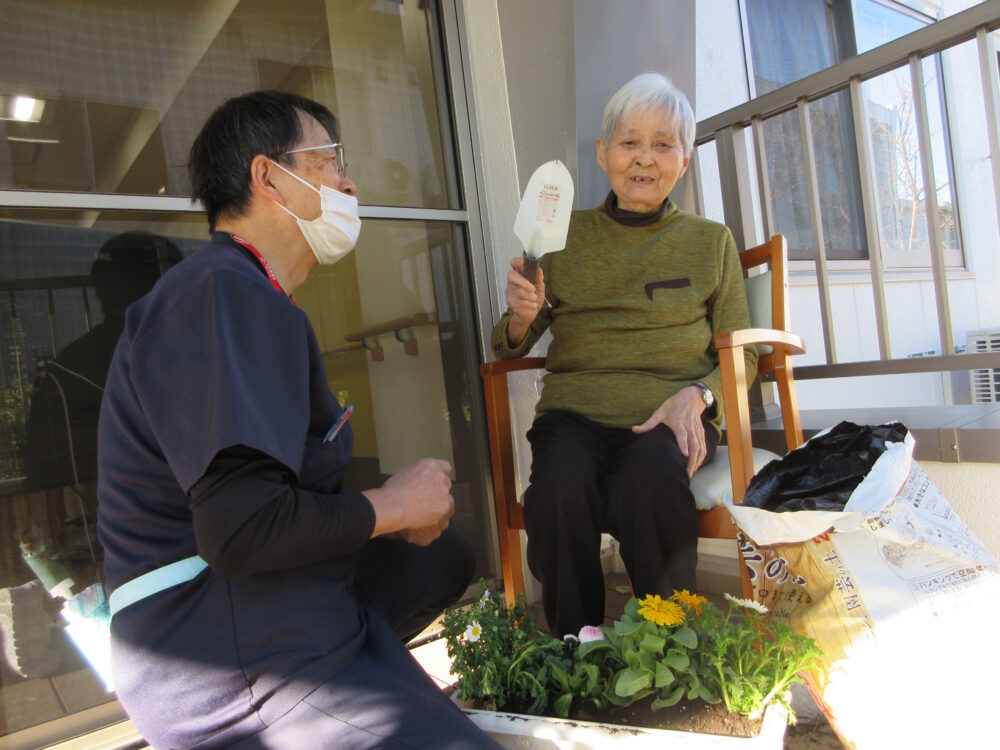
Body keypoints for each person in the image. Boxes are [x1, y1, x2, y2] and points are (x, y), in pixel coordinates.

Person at [96, 91, 497, 749]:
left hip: (262, 604)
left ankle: (357, 669)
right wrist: (391, 506)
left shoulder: (246, 294)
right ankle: (325, 698)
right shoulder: (221, 293)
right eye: (329, 161)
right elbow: (242, 531)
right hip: (224, 659)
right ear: (267, 177)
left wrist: (397, 513)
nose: (349, 182)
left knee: (446, 556)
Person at [491, 73, 758, 637]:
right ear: (603, 153)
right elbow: (512, 338)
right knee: (558, 487)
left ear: (684, 160)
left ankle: (666, 645)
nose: (644, 159)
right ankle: (573, 644)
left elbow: (746, 351)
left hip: (667, 415)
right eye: (629, 142)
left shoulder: (712, 242)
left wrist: (700, 394)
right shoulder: (562, 235)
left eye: (663, 144)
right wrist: (519, 317)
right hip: (574, 417)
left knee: (653, 478)